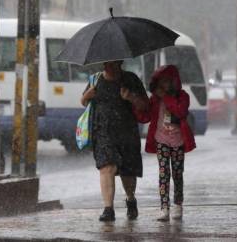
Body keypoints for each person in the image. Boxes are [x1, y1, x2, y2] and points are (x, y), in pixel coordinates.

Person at [81, 60, 149, 222]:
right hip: (103, 133)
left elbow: (145, 105)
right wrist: (86, 96)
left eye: (113, 65)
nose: (109, 68)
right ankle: (108, 209)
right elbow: (84, 102)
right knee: (107, 167)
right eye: (106, 65)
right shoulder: (95, 80)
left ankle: (130, 199)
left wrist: (131, 97)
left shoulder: (131, 79)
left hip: (127, 133)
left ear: (120, 63)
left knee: (127, 172)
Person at [135, 65, 196, 221]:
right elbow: (145, 117)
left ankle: (178, 204)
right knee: (163, 173)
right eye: (162, 82)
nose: (166, 85)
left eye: (168, 81)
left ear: (174, 82)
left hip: (178, 141)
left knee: (177, 173)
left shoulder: (183, 96)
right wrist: (135, 104)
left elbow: (180, 111)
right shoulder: (155, 99)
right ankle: (164, 207)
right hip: (161, 140)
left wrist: (167, 97)